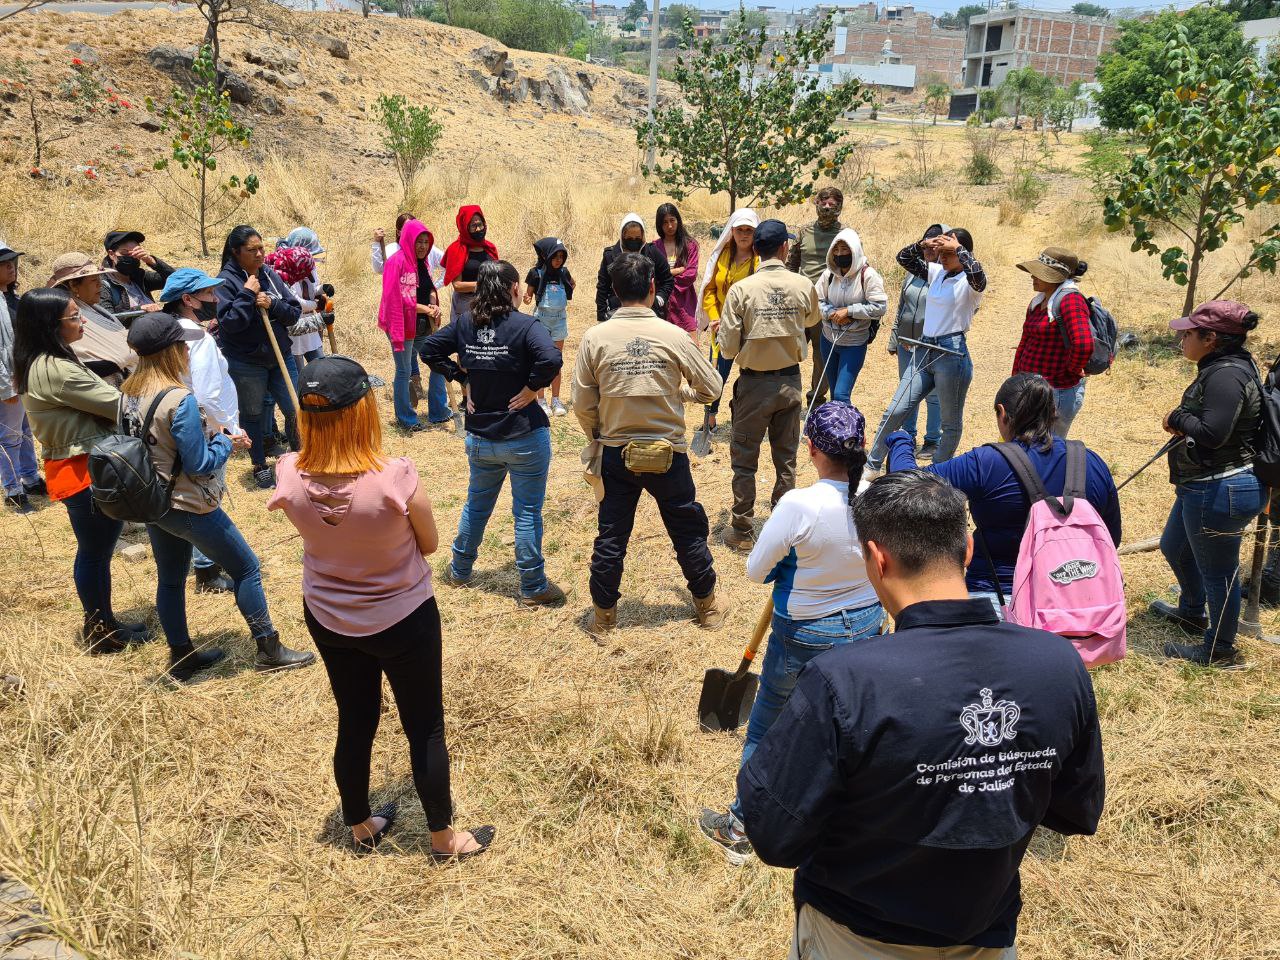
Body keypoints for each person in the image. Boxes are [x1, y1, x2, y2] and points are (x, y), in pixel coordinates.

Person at [739, 469, 1105, 960]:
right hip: (987, 936)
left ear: (876, 559)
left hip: (855, 936)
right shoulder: (1058, 663)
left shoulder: (842, 681)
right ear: (967, 550)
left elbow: (774, 836)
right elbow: (1076, 810)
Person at [268, 355, 495, 859]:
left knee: (355, 718)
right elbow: (430, 543)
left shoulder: (287, 471)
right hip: (403, 617)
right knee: (424, 725)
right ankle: (443, 839)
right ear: (363, 411)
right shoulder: (394, 476)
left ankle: (360, 825)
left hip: (328, 615)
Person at [700, 402, 884, 866]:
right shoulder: (875, 496)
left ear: (811, 448)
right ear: (861, 446)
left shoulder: (800, 504)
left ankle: (740, 826)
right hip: (867, 625)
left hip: (804, 633)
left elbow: (755, 570)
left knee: (767, 727)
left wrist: (788, 562)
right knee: (846, 727)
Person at [119, 312, 315, 682]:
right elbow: (199, 464)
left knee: (170, 579)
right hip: (188, 503)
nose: (187, 351)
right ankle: (269, 649)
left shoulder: (127, 394)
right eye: (182, 345)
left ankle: (181, 655)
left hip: (154, 502)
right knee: (247, 568)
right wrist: (227, 442)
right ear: (170, 351)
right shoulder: (179, 400)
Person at [572, 252, 726, 635]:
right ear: (653, 287)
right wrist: (680, 393)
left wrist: (598, 435)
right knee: (687, 531)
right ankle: (707, 606)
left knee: (611, 536)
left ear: (615, 290)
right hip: (668, 455)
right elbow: (712, 387)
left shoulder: (594, 338)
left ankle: (603, 617)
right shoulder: (673, 335)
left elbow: (582, 403)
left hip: (615, 454)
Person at [886, 373, 1121, 614]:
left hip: (998, 596)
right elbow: (1111, 538)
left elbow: (906, 485)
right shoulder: (1090, 462)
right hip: (1076, 599)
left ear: (1002, 412)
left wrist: (901, 441)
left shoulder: (987, 463)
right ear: (1053, 413)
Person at [421, 260, 565, 607]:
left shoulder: (465, 324)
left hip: (482, 436)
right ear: (514, 288)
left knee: (476, 505)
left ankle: (459, 569)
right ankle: (533, 587)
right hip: (524, 435)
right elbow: (551, 358)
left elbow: (428, 350)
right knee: (526, 512)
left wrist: (462, 378)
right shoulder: (526, 326)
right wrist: (532, 388)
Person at [13, 287, 148, 652]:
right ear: (49, 325)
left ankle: (105, 622)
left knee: (96, 551)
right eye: (74, 317)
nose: (82, 321)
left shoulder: (45, 360)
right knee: (95, 552)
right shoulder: (55, 369)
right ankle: (101, 630)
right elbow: (117, 404)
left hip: (82, 464)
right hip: (84, 469)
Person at [1151, 301, 1265, 667]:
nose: (1182, 339)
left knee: (1219, 574)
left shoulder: (1226, 376)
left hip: (1219, 489)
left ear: (1210, 338)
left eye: (1188, 333)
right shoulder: (1225, 367)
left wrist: (1177, 417)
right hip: (1204, 484)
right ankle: (1191, 611)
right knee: (1175, 547)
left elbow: (1213, 433)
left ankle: (1220, 649)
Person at [717, 219, 821, 551]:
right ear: (784, 248)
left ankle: (742, 531)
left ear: (755, 249)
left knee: (745, 459)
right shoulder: (803, 285)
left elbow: (727, 349)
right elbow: (812, 320)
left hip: (753, 386)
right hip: (790, 382)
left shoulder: (741, 290)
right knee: (786, 458)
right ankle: (783, 529)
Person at [865, 228, 986, 475]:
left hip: (951, 353)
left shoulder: (969, 282)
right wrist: (924, 243)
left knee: (949, 423)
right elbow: (904, 258)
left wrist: (958, 249)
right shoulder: (938, 273)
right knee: (896, 409)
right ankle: (871, 466)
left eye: (948, 253)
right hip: (924, 348)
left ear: (963, 253)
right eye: (941, 252)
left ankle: (934, 474)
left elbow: (979, 277)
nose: (942, 256)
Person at [159, 267, 250, 595]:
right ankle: (207, 569)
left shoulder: (165, 331)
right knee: (206, 496)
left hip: (173, 423)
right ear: (187, 299)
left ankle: (195, 564)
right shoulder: (198, 338)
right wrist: (227, 430)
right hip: (206, 427)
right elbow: (208, 393)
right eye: (208, 293)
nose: (215, 299)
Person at [213, 225, 302, 489]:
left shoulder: (269, 275)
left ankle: (300, 459)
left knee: (295, 408)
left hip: (280, 355)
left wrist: (273, 304)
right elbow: (230, 323)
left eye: (262, 248)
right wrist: (247, 294)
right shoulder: (224, 282)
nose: (260, 254)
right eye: (252, 250)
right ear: (236, 252)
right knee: (252, 413)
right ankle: (260, 465)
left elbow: (294, 312)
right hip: (246, 362)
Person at [378, 219, 451, 432]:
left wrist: (433, 304)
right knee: (404, 370)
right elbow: (397, 299)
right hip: (401, 323)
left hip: (422, 325)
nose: (423, 246)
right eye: (419, 241)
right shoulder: (396, 262)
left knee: (437, 360)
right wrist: (426, 309)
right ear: (409, 240)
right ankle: (406, 418)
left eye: (426, 242)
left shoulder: (423, 262)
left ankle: (439, 411)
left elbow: (429, 287)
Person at [1011, 246, 1093, 437]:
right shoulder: (1038, 302)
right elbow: (1025, 341)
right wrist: (1016, 379)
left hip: (1056, 392)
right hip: (1032, 389)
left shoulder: (1070, 301)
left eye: (1040, 273)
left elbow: (1083, 344)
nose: (1033, 276)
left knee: (1046, 447)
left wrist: (1072, 369)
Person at [695, 208, 758, 432]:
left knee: (750, 375)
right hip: (721, 326)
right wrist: (714, 318)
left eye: (749, 230)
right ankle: (710, 418)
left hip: (750, 328)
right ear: (732, 231)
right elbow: (710, 290)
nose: (744, 234)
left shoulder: (760, 259)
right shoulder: (723, 255)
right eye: (740, 230)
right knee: (716, 373)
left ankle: (745, 417)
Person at [886, 223, 944, 461]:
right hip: (906, 344)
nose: (929, 250)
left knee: (933, 396)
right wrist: (895, 338)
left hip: (930, 347)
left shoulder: (945, 276)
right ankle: (908, 436)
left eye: (934, 245)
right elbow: (902, 308)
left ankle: (933, 440)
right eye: (926, 244)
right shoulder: (913, 272)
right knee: (907, 392)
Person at [814, 228, 887, 405]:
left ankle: (847, 424)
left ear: (855, 250)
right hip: (828, 340)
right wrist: (831, 313)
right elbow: (816, 301)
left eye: (845, 249)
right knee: (834, 393)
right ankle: (836, 423)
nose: (840, 254)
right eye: (836, 249)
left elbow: (880, 307)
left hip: (854, 343)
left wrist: (850, 311)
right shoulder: (828, 275)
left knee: (841, 394)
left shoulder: (868, 275)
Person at [787, 187, 845, 408]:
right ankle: (787, 396)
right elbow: (791, 264)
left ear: (840, 206)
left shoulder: (845, 235)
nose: (827, 208)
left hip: (828, 305)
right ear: (816, 204)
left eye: (832, 204)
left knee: (822, 357)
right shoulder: (804, 232)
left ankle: (816, 400)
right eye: (823, 203)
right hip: (800, 303)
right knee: (789, 350)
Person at [47, 253, 137, 387]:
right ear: (73, 285)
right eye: (94, 280)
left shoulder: (93, 308)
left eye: (99, 279)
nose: (100, 284)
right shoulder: (71, 317)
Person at [0, 242, 44, 514]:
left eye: (12, 262)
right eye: (4, 264)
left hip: (24, 374)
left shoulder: (14, 298)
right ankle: (13, 490)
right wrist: (5, 386)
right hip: (9, 379)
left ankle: (30, 478)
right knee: (9, 436)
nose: (11, 267)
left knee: (26, 430)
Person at [522, 237, 574, 416]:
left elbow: (572, 283)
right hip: (541, 320)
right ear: (546, 256)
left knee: (557, 361)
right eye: (555, 256)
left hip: (559, 320)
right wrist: (527, 298)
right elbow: (528, 295)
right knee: (541, 360)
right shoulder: (536, 273)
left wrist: (569, 288)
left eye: (561, 257)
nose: (559, 260)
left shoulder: (564, 273)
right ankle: (541, 399)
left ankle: (556, 400)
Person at [595, 212, 675, 324]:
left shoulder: (652, 253)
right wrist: (601, 317)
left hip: (648, 313)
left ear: (643, 236)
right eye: (629, 238)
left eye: (637, 238)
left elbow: (668, 280)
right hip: (617, 314)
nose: (633, 241)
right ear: (622, 236)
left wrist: (659, 299)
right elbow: (602, 288)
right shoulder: (610, 256)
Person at [442, 205, 498, 320]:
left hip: (490, 303)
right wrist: (484, 285)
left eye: (480, 224)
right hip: (466, 306)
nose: (478, 229)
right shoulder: (456, 250)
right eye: (473, 226)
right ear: (464, 227)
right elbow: (457, 285)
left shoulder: (490, 248)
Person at [651, 202, 699, 336]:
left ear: (678, 220)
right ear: (659, 225)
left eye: (672, 220)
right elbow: (651, 274)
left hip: (684, 302)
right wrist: (673, 272)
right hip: (661, 301)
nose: (670, 226)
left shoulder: (690, 245)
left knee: (690, 342)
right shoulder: (654, 247)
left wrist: (664, 279)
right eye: (665, 222)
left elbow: (690, 274)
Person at [99, 230, 174, 314]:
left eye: (136, 253)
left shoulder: (139, 277)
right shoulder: (102, 284)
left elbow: (176, 279)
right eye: (126, 253)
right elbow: (107, 317)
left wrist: (152, 261)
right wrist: (139, 309)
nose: (132, 257)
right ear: (112, 254)